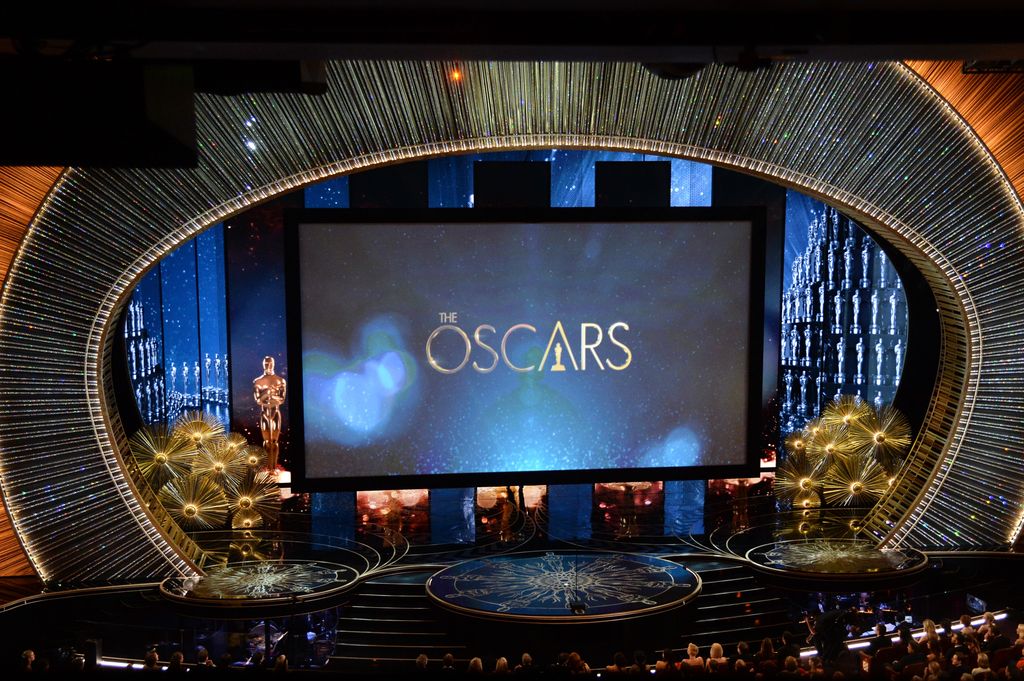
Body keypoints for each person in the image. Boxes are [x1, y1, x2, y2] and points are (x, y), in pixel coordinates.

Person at [253, 355, 287, 472]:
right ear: (263, 365)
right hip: (264, 414)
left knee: (274, 442)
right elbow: (258, 400)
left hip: (275, 413)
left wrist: (270, 396)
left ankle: (273, 467)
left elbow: (282, 399)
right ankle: (268, 468)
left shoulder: (280, 381)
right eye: (266, 364)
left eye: (270, 363)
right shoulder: (258, 381)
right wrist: (268, 393)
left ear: (274, 364)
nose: (268, 366)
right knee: (267, 442)